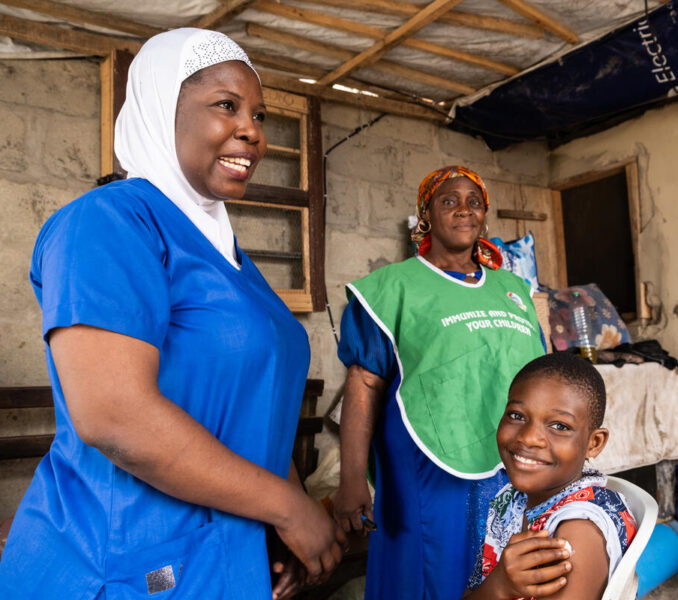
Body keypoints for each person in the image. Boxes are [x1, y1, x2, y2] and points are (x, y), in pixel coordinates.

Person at [0, 28, 344, 600]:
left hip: (218, 553)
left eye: (258, 116)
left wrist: (279, 516)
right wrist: (288, 506)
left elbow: (252, 403)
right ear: (163, 108)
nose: (251, 132)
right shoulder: (108, 223)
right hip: (122, 562)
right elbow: (115, 416)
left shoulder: (227, 255)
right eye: (226, 106)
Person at [334, 165, 546, 599]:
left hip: (511, 465)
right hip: (426, 467)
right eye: (448, 201)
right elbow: (364, 383)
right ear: (426, 216)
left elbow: (542, 376)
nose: (463, 210)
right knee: (431, 572)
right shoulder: (392, 287)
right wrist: (352, 478)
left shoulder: (513, 289)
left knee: (503, 573)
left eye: (474, 201)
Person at [465, 352, 638, 600]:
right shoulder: (511, 501)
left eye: (559, 426)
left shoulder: (577, 531)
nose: (528, 437)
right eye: (516, 415)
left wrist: (499, 588)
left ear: (594, 443)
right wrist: (499, 585)